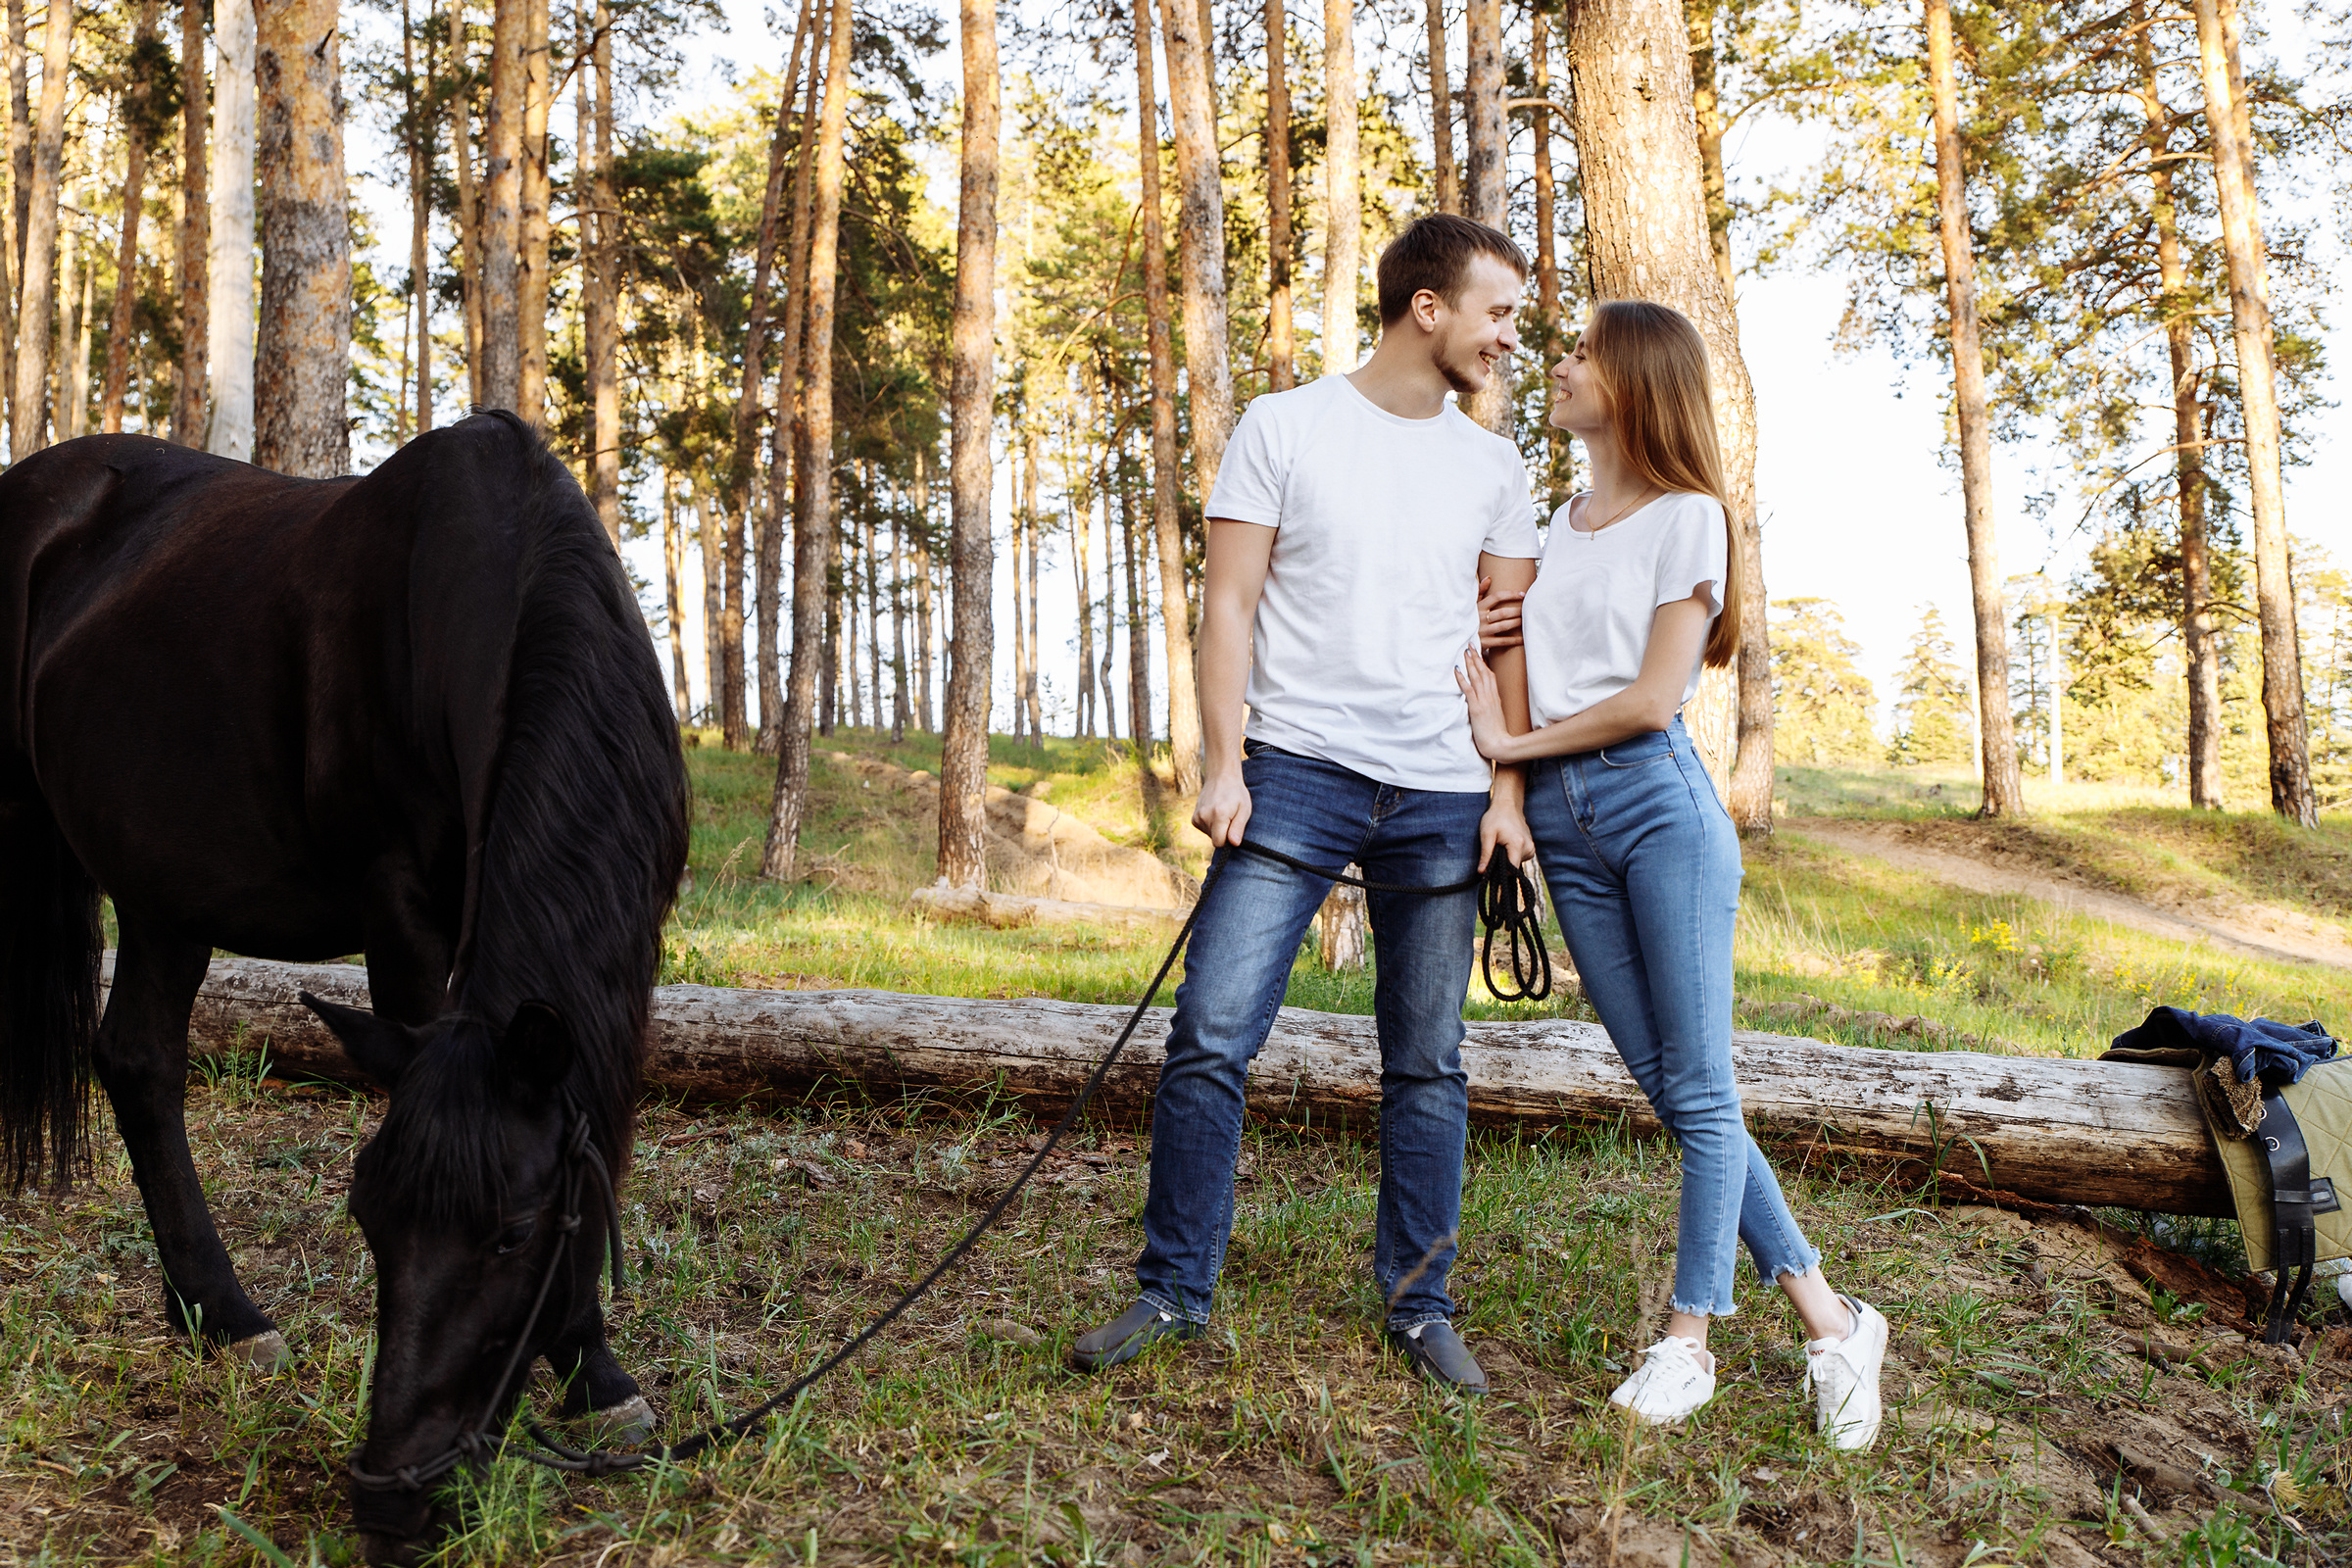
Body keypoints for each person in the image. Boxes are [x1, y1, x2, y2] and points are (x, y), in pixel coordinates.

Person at [1069, 214, 1543, 1392]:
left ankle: (1420, 1303)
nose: (1509, 339)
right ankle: (1173, 1290)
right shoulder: (1286, 426)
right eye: (1497, 313)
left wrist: (1508, 789)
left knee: (1428, 1061)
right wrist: (1221, 762)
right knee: (1212, 1035)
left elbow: (1511, 636)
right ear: (1425, 307)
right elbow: (1226, 607)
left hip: (1441, 789)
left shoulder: (1494, 464)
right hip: (1294, 769)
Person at [1455, 299, 1888, 1447]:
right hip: (1567, 819)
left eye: (1583, 351)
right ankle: (1833, 1322)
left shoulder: (1691, 518)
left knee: (1698, 1090)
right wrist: (1504, 678)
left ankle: (1689, 1341)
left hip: (1656, 804)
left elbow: (1653, 699)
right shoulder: (1559, 522)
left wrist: (1513, 750)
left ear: (1635, 380)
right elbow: (1519, 658)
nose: (1559, 361)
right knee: (1676, 1091)